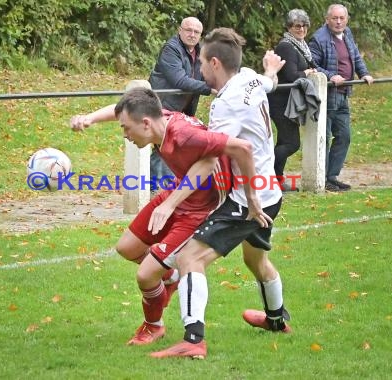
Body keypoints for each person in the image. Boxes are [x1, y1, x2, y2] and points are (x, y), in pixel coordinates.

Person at [70, 87, 261, 346]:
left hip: (198, 209)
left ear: (146, 124)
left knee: (146, 275)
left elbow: (222, 155)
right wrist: (90, 118)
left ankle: (154, 326)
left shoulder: (184, 134)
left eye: (126, 129)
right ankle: (170, 278)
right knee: (127, 247)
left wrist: (251, 198)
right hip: (179, 193)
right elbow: (121, 112)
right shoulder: (161, 118)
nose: (125, 135)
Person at [150, 28, 290, 359]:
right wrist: (270, 69)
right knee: (257, 260)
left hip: (249, 198)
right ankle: (276, 320)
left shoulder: (225, 105)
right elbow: (268, 83)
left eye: (200, 63)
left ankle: (193, 340)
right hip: (271, 191)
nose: (198, 70)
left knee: (189, 259)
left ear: (215, 63)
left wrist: (171, 202)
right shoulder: (250, 78)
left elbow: (211, 160)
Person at [308, 4, 374, 192]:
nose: (338, 22)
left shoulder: (348, 34)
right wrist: (330, 76)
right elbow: (312, 66)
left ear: (346, 19)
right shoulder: (318, 39)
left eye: (341, 18)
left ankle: (332, 176)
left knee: (344, 136)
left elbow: (355, 57)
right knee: (325, 137)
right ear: (327, 19)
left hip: (344, 93)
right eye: (334, 18)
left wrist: (364, 73)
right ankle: (322, 178)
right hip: (328, 95)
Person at [148, 17, 214, 191]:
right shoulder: (171, 49)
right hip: (162, 103)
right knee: (163, 142)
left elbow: (209, 72)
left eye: (196, 32)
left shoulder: (201, 52)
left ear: (201, 35)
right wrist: (210, 88)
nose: (192, 34)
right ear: (180, 30)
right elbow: (179, 80)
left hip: (183, 107)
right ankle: (157, 187)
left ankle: (164, 185)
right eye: (188, 30)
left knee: (173, 144)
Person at [268, 9, 317, 192]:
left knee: (283, 142)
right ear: (289, 27)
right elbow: (290, 76)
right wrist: (306, 73)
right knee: (291, 143)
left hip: (289, 102)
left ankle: (275, 181)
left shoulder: (301, 45)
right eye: (297, 25)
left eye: (305, 25)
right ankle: (264, 174)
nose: (302, 29)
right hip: (280, 102)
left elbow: (312, 66)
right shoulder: (286, 46)